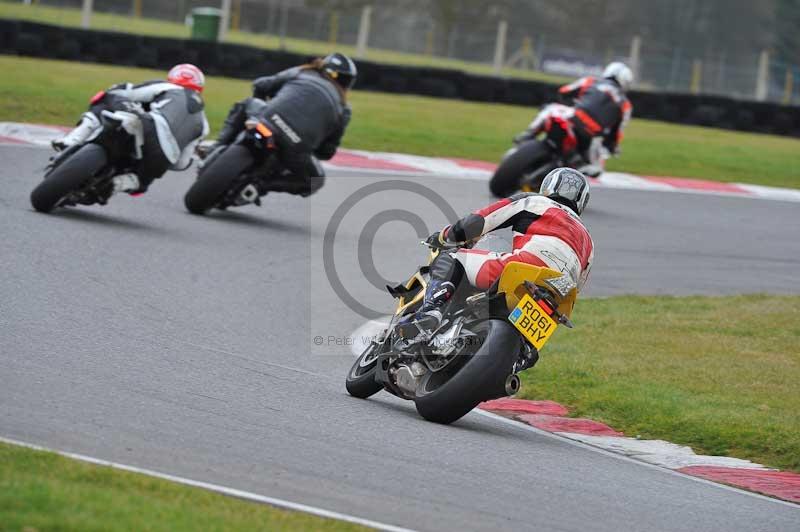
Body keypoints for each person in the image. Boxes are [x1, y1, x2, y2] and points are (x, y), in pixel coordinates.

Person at [399, 167, 594, 336]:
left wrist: (446, 236)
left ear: (548, 186)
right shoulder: (589, 242)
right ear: (581, 201)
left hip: (525, 269)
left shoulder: (535, 202)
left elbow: (479, 221)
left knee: (451, 256)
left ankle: (432, 311)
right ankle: (522, 355)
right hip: (560, 295)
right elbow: (579, 284)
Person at [207, 52, 356, 197]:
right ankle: (260, 186)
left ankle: (216, 147)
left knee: (247, 104)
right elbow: (327, 152)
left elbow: (260, 85)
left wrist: (266, 107)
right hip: (295, 147)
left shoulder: (301, 72)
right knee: (315, 181)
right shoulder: (344, 109)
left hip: (268, 121)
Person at [52, 64, 209, 195]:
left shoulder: (169, 87)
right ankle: (118, 184)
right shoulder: (204, 123)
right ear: (199, 88)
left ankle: (71, 140)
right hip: (164, 157)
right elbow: (181, 164)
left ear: (173, 78)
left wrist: (119, 97)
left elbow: (127, 92)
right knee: (144, 181)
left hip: (149, 127)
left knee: (107, 96)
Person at [515, 62, 633, 160]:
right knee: (593, 164)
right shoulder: (626, 105)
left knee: (550, 108)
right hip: (592, 135)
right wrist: (612, 147)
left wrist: (572, 104)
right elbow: (617, 133)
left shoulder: (590, 81)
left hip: (574, 119)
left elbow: (564, 92)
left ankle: (528, 135)